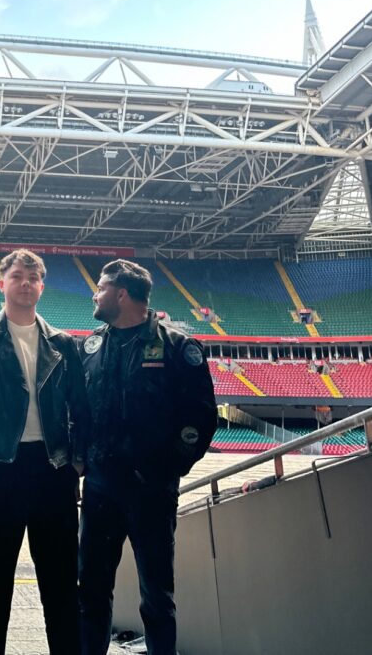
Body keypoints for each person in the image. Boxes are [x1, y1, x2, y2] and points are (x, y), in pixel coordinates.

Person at [0, 248, 89, 655]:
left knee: (61, 586)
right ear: (2, 284)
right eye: (18, 276)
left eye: (33, 277)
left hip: (53, 471)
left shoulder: (62, 343)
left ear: (42, 287)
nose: (25, 283)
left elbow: (81, 408)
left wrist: (77, 459)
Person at [77, 259, 217, 655]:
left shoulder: (177, 347)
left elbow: (200, 420)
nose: (95, 294)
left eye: (100, 287)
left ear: (121, 294)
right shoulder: (91, 346)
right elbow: (80, 413)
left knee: (156, 597)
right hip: (100, 490)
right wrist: (82, 461)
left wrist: (163, 472)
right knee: (90, 592)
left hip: (151, 493)